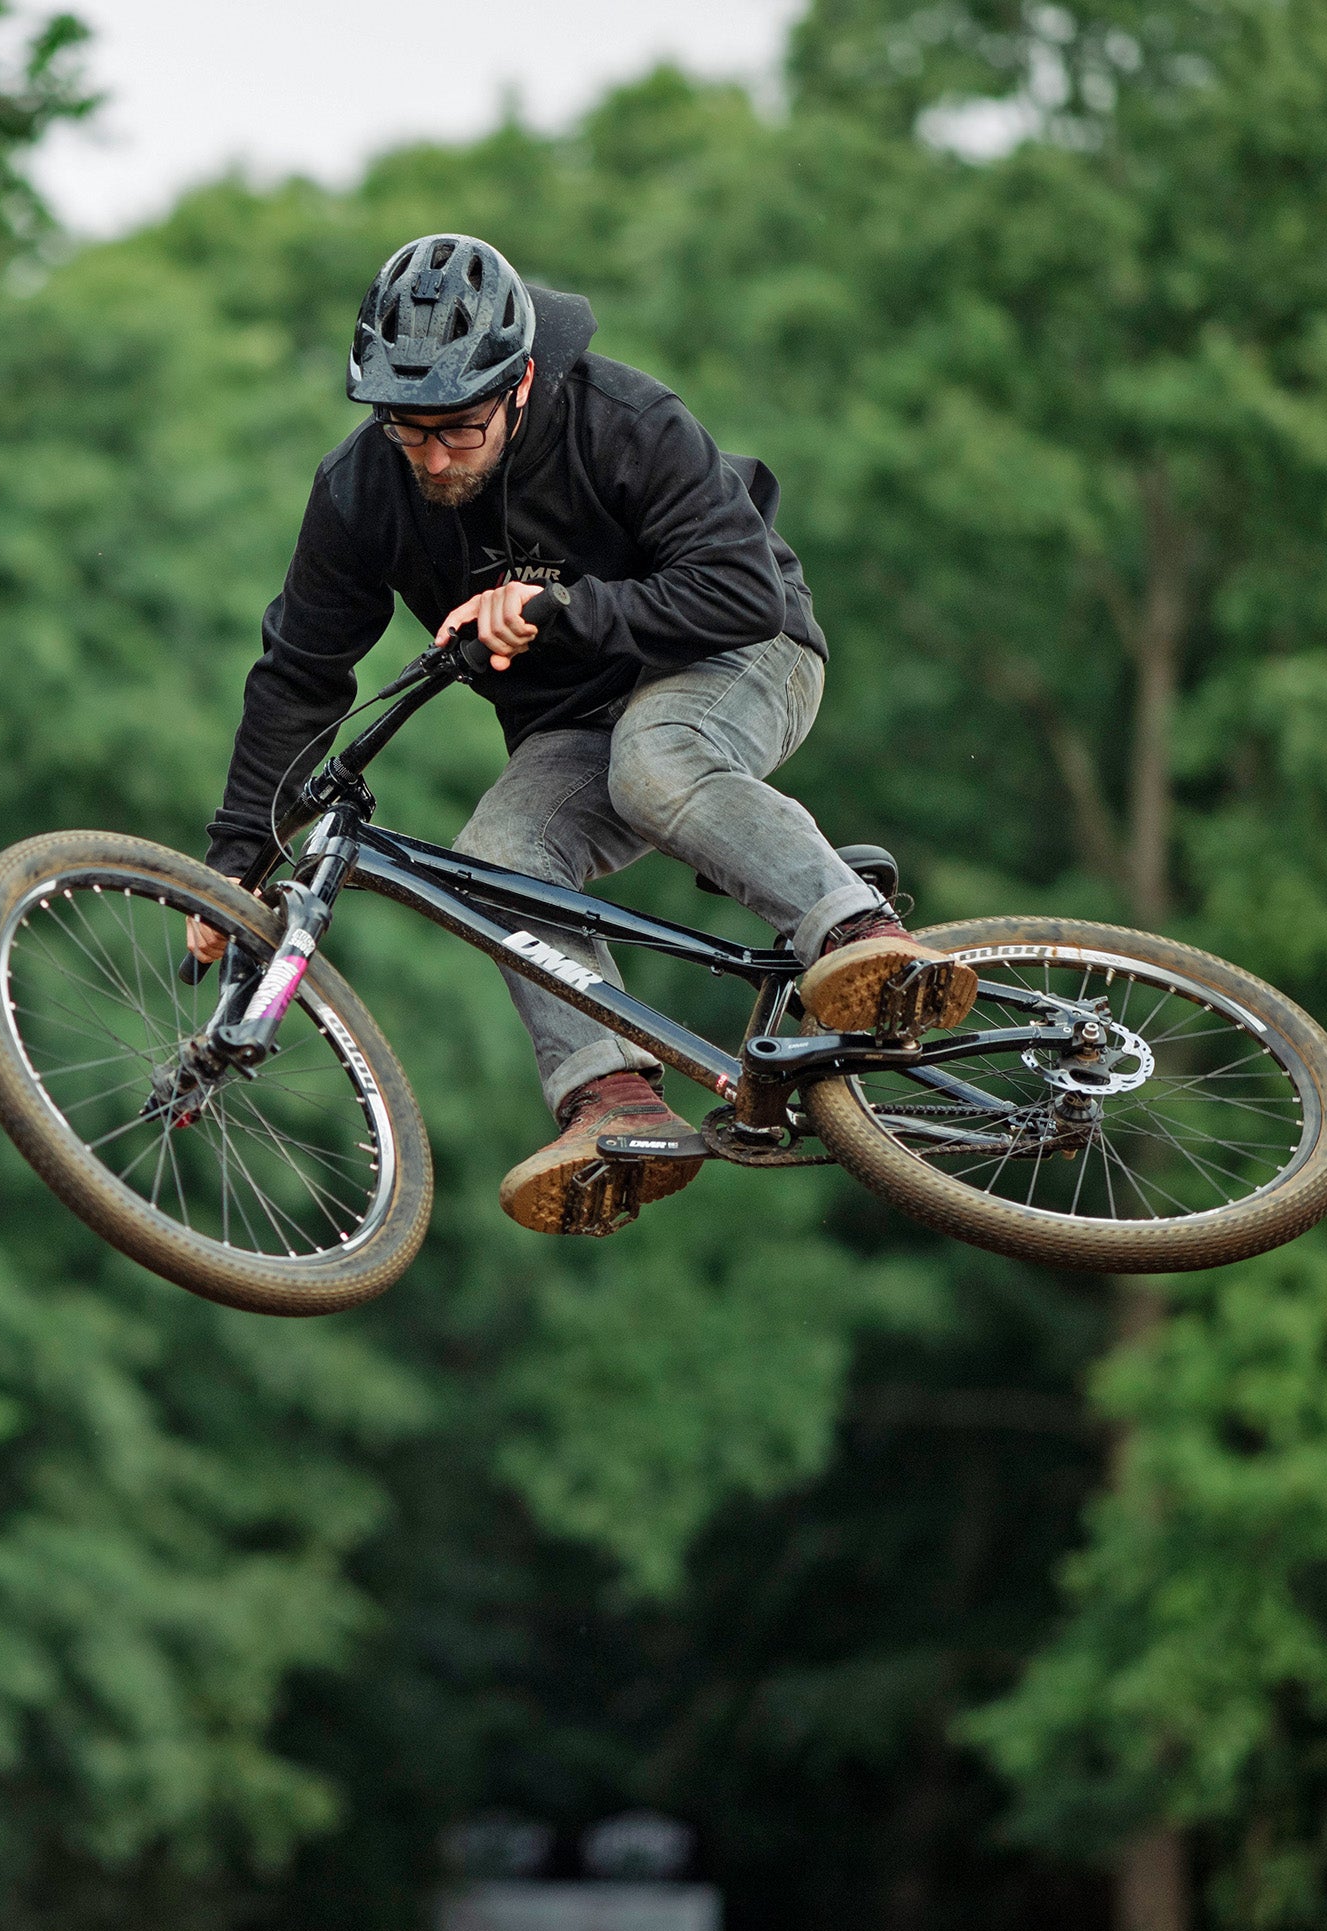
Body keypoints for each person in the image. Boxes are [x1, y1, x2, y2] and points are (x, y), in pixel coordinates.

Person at [190, 234, 977, 1234]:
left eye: (459, 430)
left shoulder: (625, 421)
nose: (432, 458)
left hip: (743, 652)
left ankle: (867, 942)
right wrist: (233, 863)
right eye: (406, 430)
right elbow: (299, 677)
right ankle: (611, 1102)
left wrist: (559, 608)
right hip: (575, 720)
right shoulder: (358, 495)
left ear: (519, 384)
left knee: (659, 758)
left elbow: (737, 589)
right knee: (495, 860)